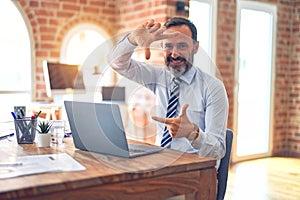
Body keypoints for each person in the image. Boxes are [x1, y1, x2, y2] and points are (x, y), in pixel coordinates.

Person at [108, 17, 228, 168]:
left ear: (196, 47)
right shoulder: (158, 76)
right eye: (169, 46)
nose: (175, 54)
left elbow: (218, 151)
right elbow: (117, 63)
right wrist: (132, 39)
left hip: (196, 172)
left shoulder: (213, 88)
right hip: (160, 164)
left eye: (182, 46)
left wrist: (193, 134)